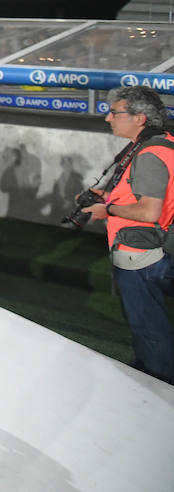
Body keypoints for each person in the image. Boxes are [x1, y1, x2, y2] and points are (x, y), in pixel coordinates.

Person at [80, 86, 174, 384]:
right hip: (155, 248)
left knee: (149, 326)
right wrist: (109, 196)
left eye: (116, 113)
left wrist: (107, 211)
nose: (109, 118)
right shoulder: (164, 144)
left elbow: (148, 211)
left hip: (143, 254)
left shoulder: (148, 155)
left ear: (140, 118)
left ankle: (159, 384)